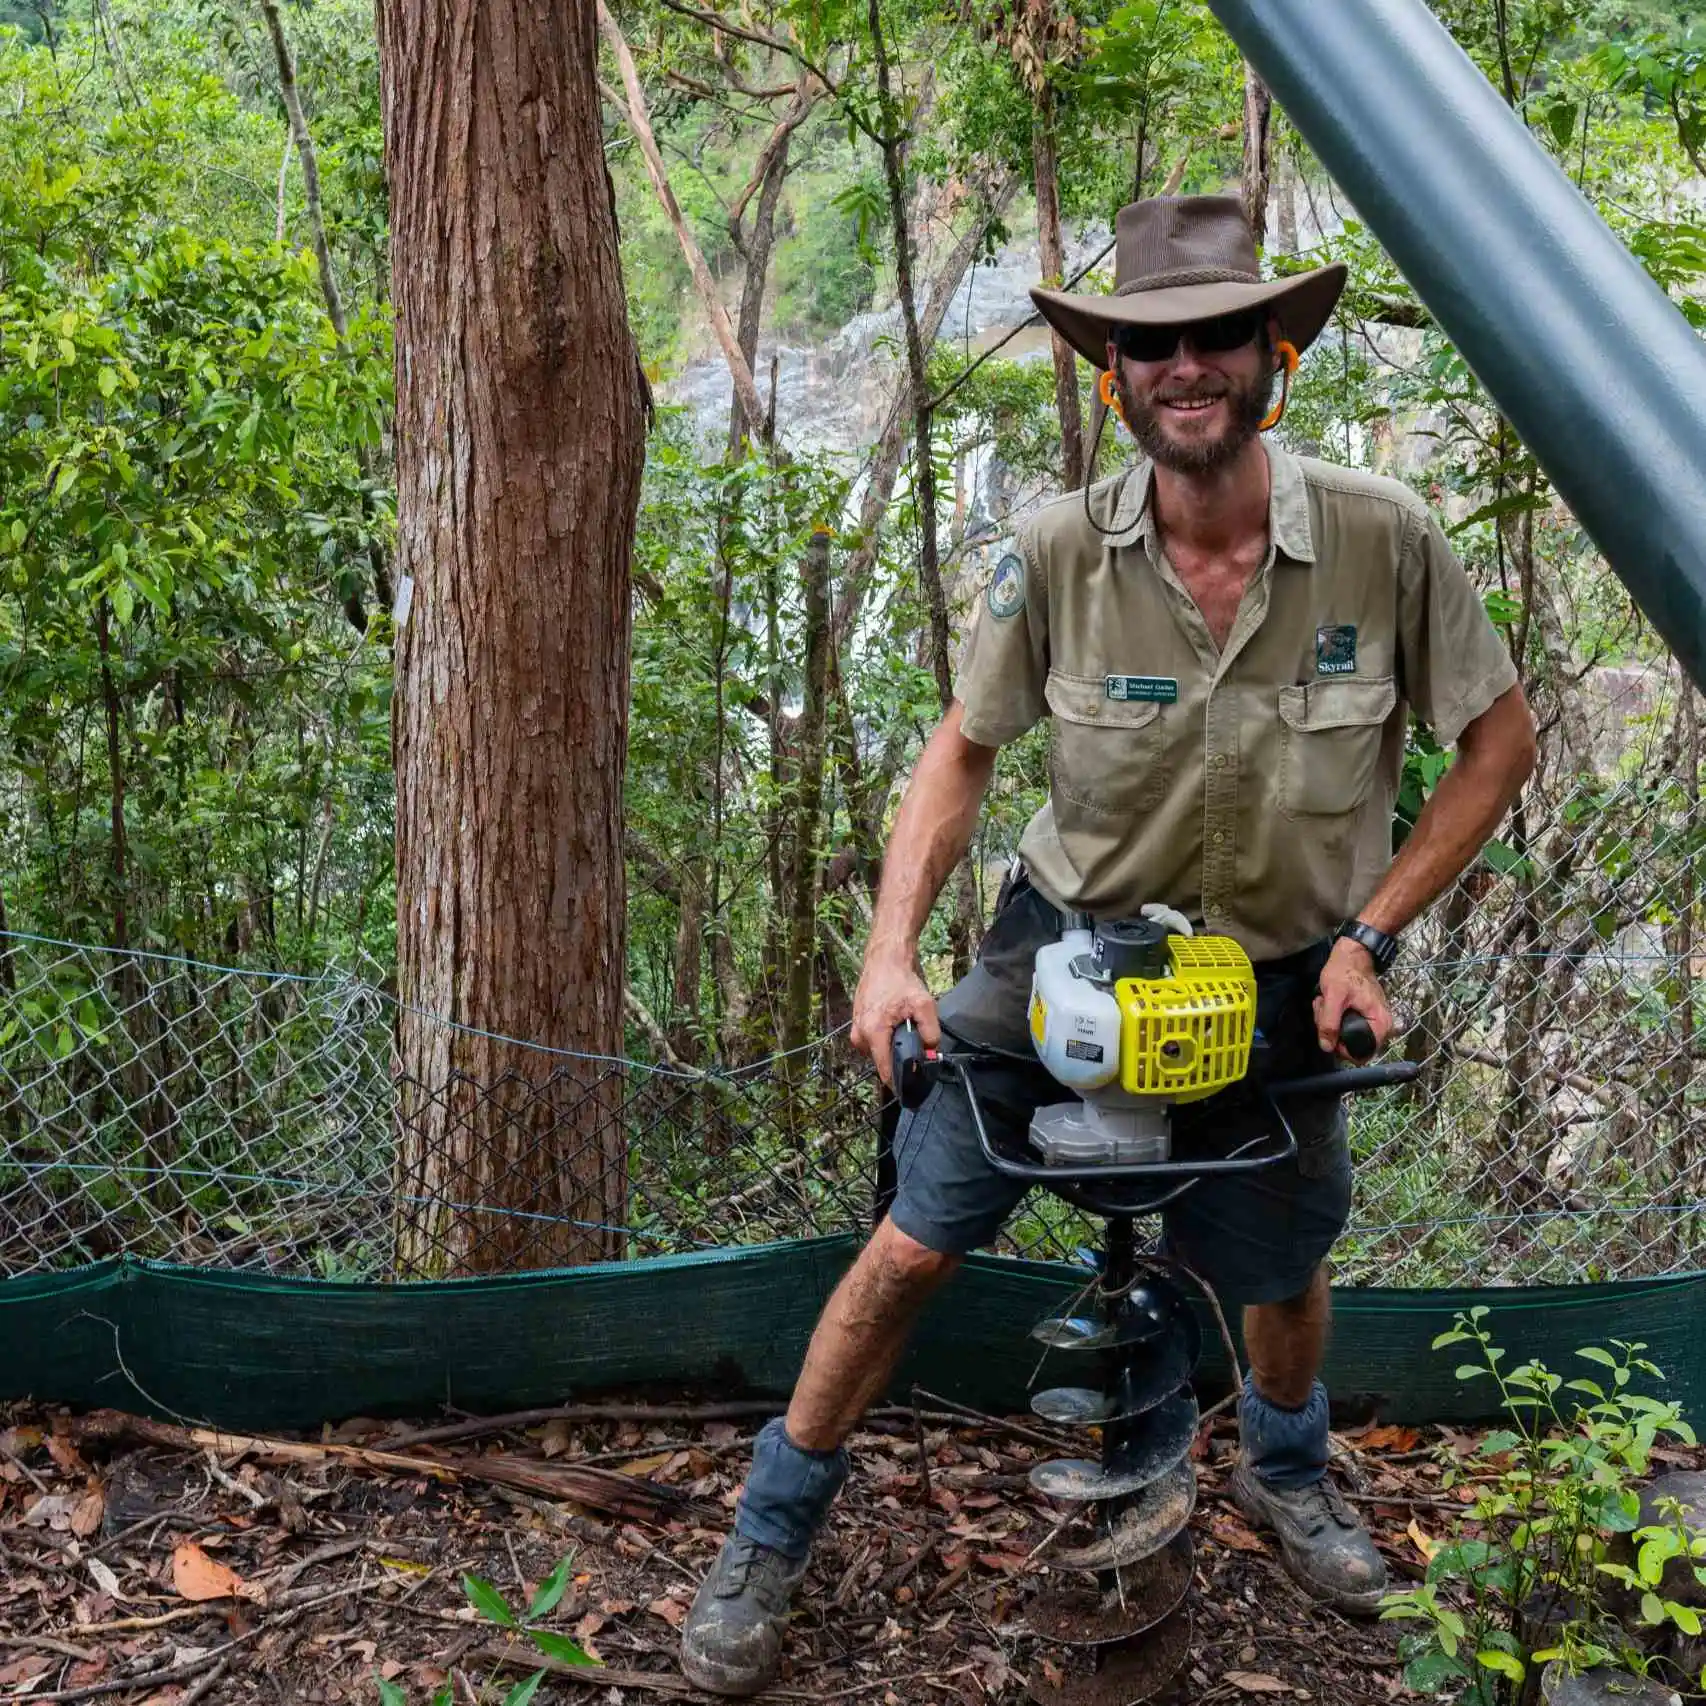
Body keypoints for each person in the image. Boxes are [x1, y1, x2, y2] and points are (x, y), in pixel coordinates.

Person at [680, 193, 1538, 1696]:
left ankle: (1284, 1469)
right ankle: (770, 1526)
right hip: (1062, 946)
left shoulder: (1381, 542)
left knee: (1280, 1264)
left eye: (1216, 336)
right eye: (1152, 345)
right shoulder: (1055, 550)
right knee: (909, 1241)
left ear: (1275, 354)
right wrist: (888, 957)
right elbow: (960, 752)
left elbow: (1497, 740)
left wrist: (1370, 940)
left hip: (1281, 965)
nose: (1185, 367)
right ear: (1111, 374)